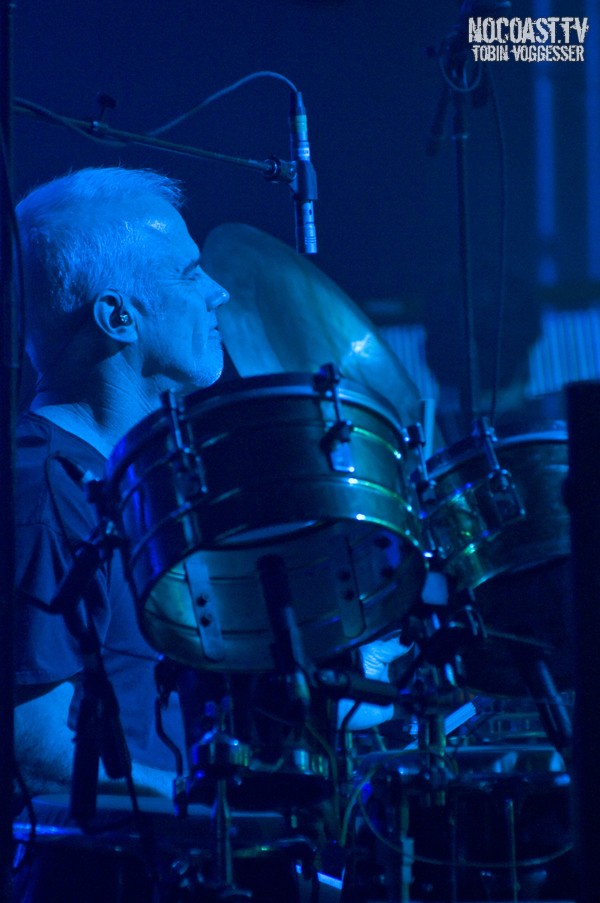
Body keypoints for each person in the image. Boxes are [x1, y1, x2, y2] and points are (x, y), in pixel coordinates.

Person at [13, 166, 230, 801]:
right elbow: (30, 746)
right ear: (117, 316)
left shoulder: (134, 477)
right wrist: (196, 804)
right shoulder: (45, 489)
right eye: (190, 273)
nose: (217, 292)